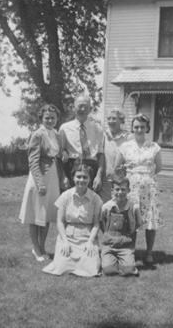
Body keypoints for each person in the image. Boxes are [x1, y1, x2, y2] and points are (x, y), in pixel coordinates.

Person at [115, 113, 162, 265]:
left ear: (147, 128)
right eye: (136, 127)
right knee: (131, 220)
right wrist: (127, 174)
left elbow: (159, 167)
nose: (139, 129)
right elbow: (117, 168)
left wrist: (146, 176)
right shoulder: (125, 146)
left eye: (142, 127)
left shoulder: (154, 147)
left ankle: (149, 253)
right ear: (132, 128)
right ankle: (130, 251)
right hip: (131, 187)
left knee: (150, 220)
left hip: (149, 187)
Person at [19, 104, 62, 262]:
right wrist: (40, 183)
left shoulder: (56, 134)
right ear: (41, 119)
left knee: (46, 214)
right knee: (35, 214)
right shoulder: (37, 134)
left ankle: (43, 247)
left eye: (53, 117)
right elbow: (33, 161)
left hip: (52, 177)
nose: (50, 120)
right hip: (39, 178)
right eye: (47, 118)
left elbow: (56, 156)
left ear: (57, 119)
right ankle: (35, 248)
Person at [42, 164, 102, 277]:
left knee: (92, 267)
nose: (81, 180)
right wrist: (64, 241)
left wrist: (90, 242)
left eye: (85, 177)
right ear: (73, 178)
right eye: (78, 176)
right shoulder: (65, 196)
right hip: (68, 236)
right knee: (61, 265)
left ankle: (87, 258)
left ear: (90, 179)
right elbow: (59, 221)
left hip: (87, 236)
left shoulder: (96, 199)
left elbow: (96, 224)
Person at [59, 95, 104, 192]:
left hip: (91, 167)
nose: (82, 109)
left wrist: (99, 176)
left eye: (86, 106)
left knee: (91, 202)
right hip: (72, 166)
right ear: (73, 107)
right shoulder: (64, 128)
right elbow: (59, 155)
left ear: (90, 109)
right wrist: (63, 176)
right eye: (80, 106)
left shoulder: (97, 128)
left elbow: (100, 154)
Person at [100, 178, 142, 276]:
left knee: (129, 271)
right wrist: (107, 235)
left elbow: (138, 223)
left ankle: (126, 261)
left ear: (128, 190)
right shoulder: (106, 207)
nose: (120, 192)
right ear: (112, 191)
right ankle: (112, 260)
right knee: (108, 270)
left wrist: (130, 235)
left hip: (125, 245)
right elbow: (102, 223)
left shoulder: (134, 207)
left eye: (123, 189)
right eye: (117, 189)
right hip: (109, 244)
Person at [100, 109, 131, 202]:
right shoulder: (103, 135)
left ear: (121, 120)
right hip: (106, 179)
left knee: (120, 206)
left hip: (121, 179)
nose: (110, 121)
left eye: (114, 118)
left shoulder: (127, 137)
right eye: (109, 118)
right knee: (105, 206)